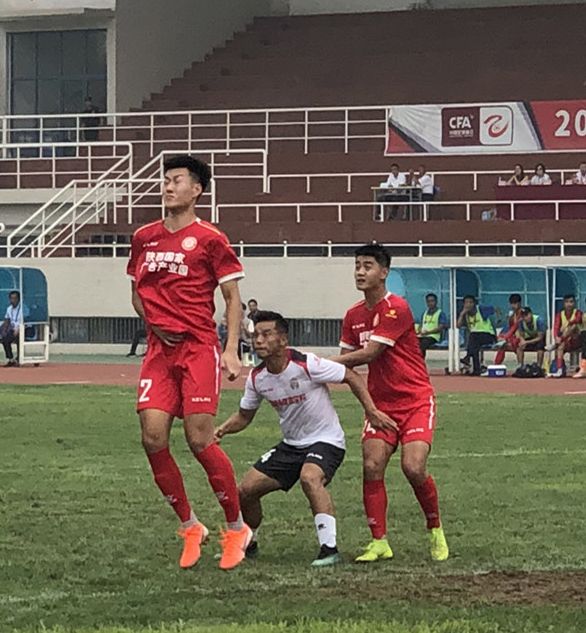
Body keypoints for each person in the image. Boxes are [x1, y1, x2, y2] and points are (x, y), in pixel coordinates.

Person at [114, 154, 249, 571]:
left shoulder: (210, 239)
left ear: (197, 191)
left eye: (177, 181)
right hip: (159, 350)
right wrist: (153, 320)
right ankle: (191, 525)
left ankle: (236, 526)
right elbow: (137, 293)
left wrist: (229, 349)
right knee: (153, 437)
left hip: (197, 349)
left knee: (199, 439)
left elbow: (231, 299)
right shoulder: (144, 237)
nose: (168, 187)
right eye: (166, 180)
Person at [214, 310, 393, 567]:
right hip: (291, 445)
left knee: (309, 477)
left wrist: (372, 411)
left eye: (266, 335)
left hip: (326, 441)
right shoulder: (257, 378)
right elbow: (244, 416)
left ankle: (329, 549)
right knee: (245, 491)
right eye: (256, 335)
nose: (259, 341)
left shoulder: (307, 364)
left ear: (283, 340)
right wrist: (220, 430)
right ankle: (248, 541)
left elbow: (350, 375)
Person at [333, 243, 446, 564]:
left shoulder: (397, 308)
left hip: (415, 401)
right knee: (371, 466)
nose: (359, 271)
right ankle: (379, 541)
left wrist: (318, 361)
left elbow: (368, 354)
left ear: (384, 273)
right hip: (380, 405)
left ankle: (435, 528)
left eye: (367, 265)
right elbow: (347, 366)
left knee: (413, 467)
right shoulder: (353, 315)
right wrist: (369, 407)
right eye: (357, 265)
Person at [492, 297, 543, 371]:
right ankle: (496, 365)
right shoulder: (513, 314)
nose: (513, 306)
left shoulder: (522, 316)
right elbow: (510, 328)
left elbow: (514, 328)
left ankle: (523, 366)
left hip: (524, 338)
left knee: (515, 343)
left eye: (515, 303)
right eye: (511, 303)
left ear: (519, 303)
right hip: (517, 337)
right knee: (502, 344)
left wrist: (506, 337)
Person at [456, 296, 497, 376]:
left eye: (470, 302)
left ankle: (468, 357)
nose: (468, 305)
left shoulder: (481, 309)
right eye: (466, 303)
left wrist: (498, 318)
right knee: (474, 345)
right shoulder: (466, 314)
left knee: (473, 336)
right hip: (476, 339)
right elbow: (458, 326)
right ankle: (476, 370)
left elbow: (496, 309)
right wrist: (461, 314)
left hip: (488, 335)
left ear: (474, 304)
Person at [550, 294, 583, 378]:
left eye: (571, 302)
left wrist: (568, 323)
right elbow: (556, 327)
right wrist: (556, 337)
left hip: (577, 340)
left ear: (574, 303)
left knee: (573, 326)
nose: (569, 304)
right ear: (564, 303)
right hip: (566, 341)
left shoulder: (578, 312)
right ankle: (559, 370)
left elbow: (577, 320)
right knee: (560, 346)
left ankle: (556, 344)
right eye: (567, 302)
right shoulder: (560, 314)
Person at [0, 288, 26, 366]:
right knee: (5, 339)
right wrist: (4, 331)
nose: (12, 300)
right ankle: (11, 359)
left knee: (19, 338)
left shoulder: (23, 308)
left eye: (14, 298)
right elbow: (7, 320)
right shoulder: (9, 309)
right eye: (11, 298)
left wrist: (19, 329)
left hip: (24, 329)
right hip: (13, 330)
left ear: (18, 299)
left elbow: (27, 320)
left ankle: (19, 358)